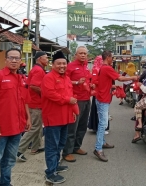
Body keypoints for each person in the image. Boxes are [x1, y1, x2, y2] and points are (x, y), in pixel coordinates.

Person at [0, 48, 31, 186]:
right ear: (5, 60)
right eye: (11, 58)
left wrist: (28, 118)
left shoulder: (22, 79)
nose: (14, 60)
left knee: (9, 161)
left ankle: (5, 183)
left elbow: (25, 101)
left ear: (21, 61)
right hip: (0, 129)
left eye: (17, 58)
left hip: (17, 128)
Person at [41, 51, 79, 184]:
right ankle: (50, 173)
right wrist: (68, 100)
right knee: (52, 146)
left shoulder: (67, 78)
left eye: (64, 63)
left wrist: (74, 111)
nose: (62, 66)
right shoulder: (48, 77)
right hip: (53, 118)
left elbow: (72, 95)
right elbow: (51, 94)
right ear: (53, 64)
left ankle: (55, 165)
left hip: (66, 117)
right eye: (59, 63)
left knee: (61, 144)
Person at [94, 50, 138, 162]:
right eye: (112, 57)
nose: (112, 59)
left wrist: (112, 87)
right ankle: (98, 149)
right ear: (108, 57)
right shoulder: (107, 68)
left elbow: (105, 81)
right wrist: (132, 78)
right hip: (103, 99)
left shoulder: (102, 68)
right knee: (103, 124)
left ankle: (102, 143)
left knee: (102, 122)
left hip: (102, 97)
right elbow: (120, 78)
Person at [17, 51, 48, 162]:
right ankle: (19, 150)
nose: (48, 60)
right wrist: (44, 94)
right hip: (35, 103)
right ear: (39, 59)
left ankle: (36, 147)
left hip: (34, 102)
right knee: (34, 127)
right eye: (46, 58)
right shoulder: (38, 70)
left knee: (38, 126)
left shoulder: (37, 69)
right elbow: (33, 86)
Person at [62, 46, 91, 163]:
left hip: (86, 99)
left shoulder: (86, 66)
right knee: (72, 127)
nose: (83, 55)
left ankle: (76, 147)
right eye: (80, 53)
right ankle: (67, 152)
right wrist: (76, 82)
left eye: (84, 53)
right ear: (76, 55)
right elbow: (65, 80)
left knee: (83, 126)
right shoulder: (70, 67)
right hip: (75, 100)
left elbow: (88, 80)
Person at [88, 55, 110, 133]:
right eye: (100, 60)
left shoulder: (102, 68)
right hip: (99, 93)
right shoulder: (96, 69)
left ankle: (99, 127)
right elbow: (94, 81)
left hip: (101, 93)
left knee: (100, 111)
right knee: (101, 111)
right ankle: (100, 129)